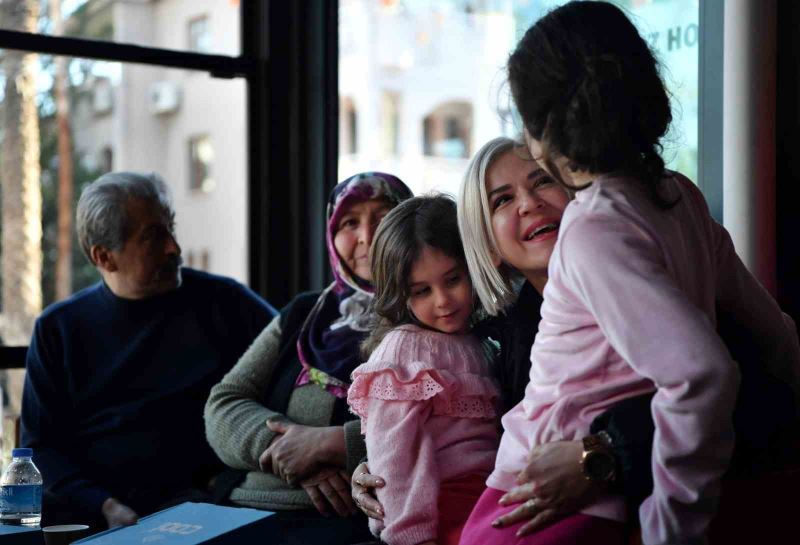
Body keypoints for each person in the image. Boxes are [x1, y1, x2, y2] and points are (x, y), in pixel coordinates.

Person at [460, 3, 800, 544]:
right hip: (609, 491)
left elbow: (702, 374)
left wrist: (672, 527)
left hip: (545, 501)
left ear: (545, 128)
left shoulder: (594, 228)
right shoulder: (678, 195)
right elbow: (777, 337)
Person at [353, 134, 800, 540]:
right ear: (485, 244)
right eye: (503, 200)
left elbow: (756, 388)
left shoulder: (653, 277)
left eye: (541, 181)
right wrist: (371, 461)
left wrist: (600, 456)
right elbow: (450, 424)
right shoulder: (498, 331)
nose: (528, 203)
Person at [20, 171, 276, 531]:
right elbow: (40, 449)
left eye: (170, 228)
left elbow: (298, 367)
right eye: (154, 236)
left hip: (211, 500)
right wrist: (104, 506)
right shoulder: (58, 329)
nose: (175, 247)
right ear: (105, 258)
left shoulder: (226, 303)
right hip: (100, 511)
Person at [203, 172, 412, 544]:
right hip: (245, 506)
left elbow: (446, 423)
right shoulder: (305, 313)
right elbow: (223, 403)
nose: (366, 236)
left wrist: (336, 445)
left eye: (383, 217)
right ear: (332, 235)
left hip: (348, 521)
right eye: (350, 222)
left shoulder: (432, 311)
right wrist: (286, 453)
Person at [346, 195, 500, 545]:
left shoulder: (480, 341)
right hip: (437, 510)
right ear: (400, 295)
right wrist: (411, 535)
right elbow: (395, 456)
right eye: (422, 291)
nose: (443, 301)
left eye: (453, 279)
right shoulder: (405, 349)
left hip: (488, 496)